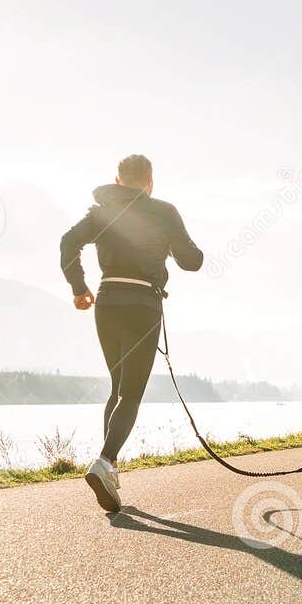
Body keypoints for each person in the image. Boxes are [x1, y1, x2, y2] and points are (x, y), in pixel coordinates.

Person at [60, 154, 203, 512]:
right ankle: (105, 461)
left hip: (106, 301)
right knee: (131, 393)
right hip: (142, 303)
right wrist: (171, 245)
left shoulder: (101, 212)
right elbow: (193, 261)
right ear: (150, 182)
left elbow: (67, 243)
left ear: (118, 180)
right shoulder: (164, 212)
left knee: (117, 387)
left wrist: (79, 288)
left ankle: (111, 468)